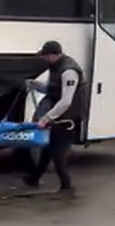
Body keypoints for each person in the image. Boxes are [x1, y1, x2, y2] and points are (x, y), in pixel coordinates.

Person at [23, 40, 87, 194]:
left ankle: (67, 186)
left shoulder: (68, 71)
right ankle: (34, 178)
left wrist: (45, 119)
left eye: (45, 56)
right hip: (59, 116)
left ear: (54, 55)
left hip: (68, 118)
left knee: (58, 154)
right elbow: (53, 90)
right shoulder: (56, 67)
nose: (44, 59)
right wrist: (37, 85)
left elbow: (66, 101)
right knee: (48, 149)